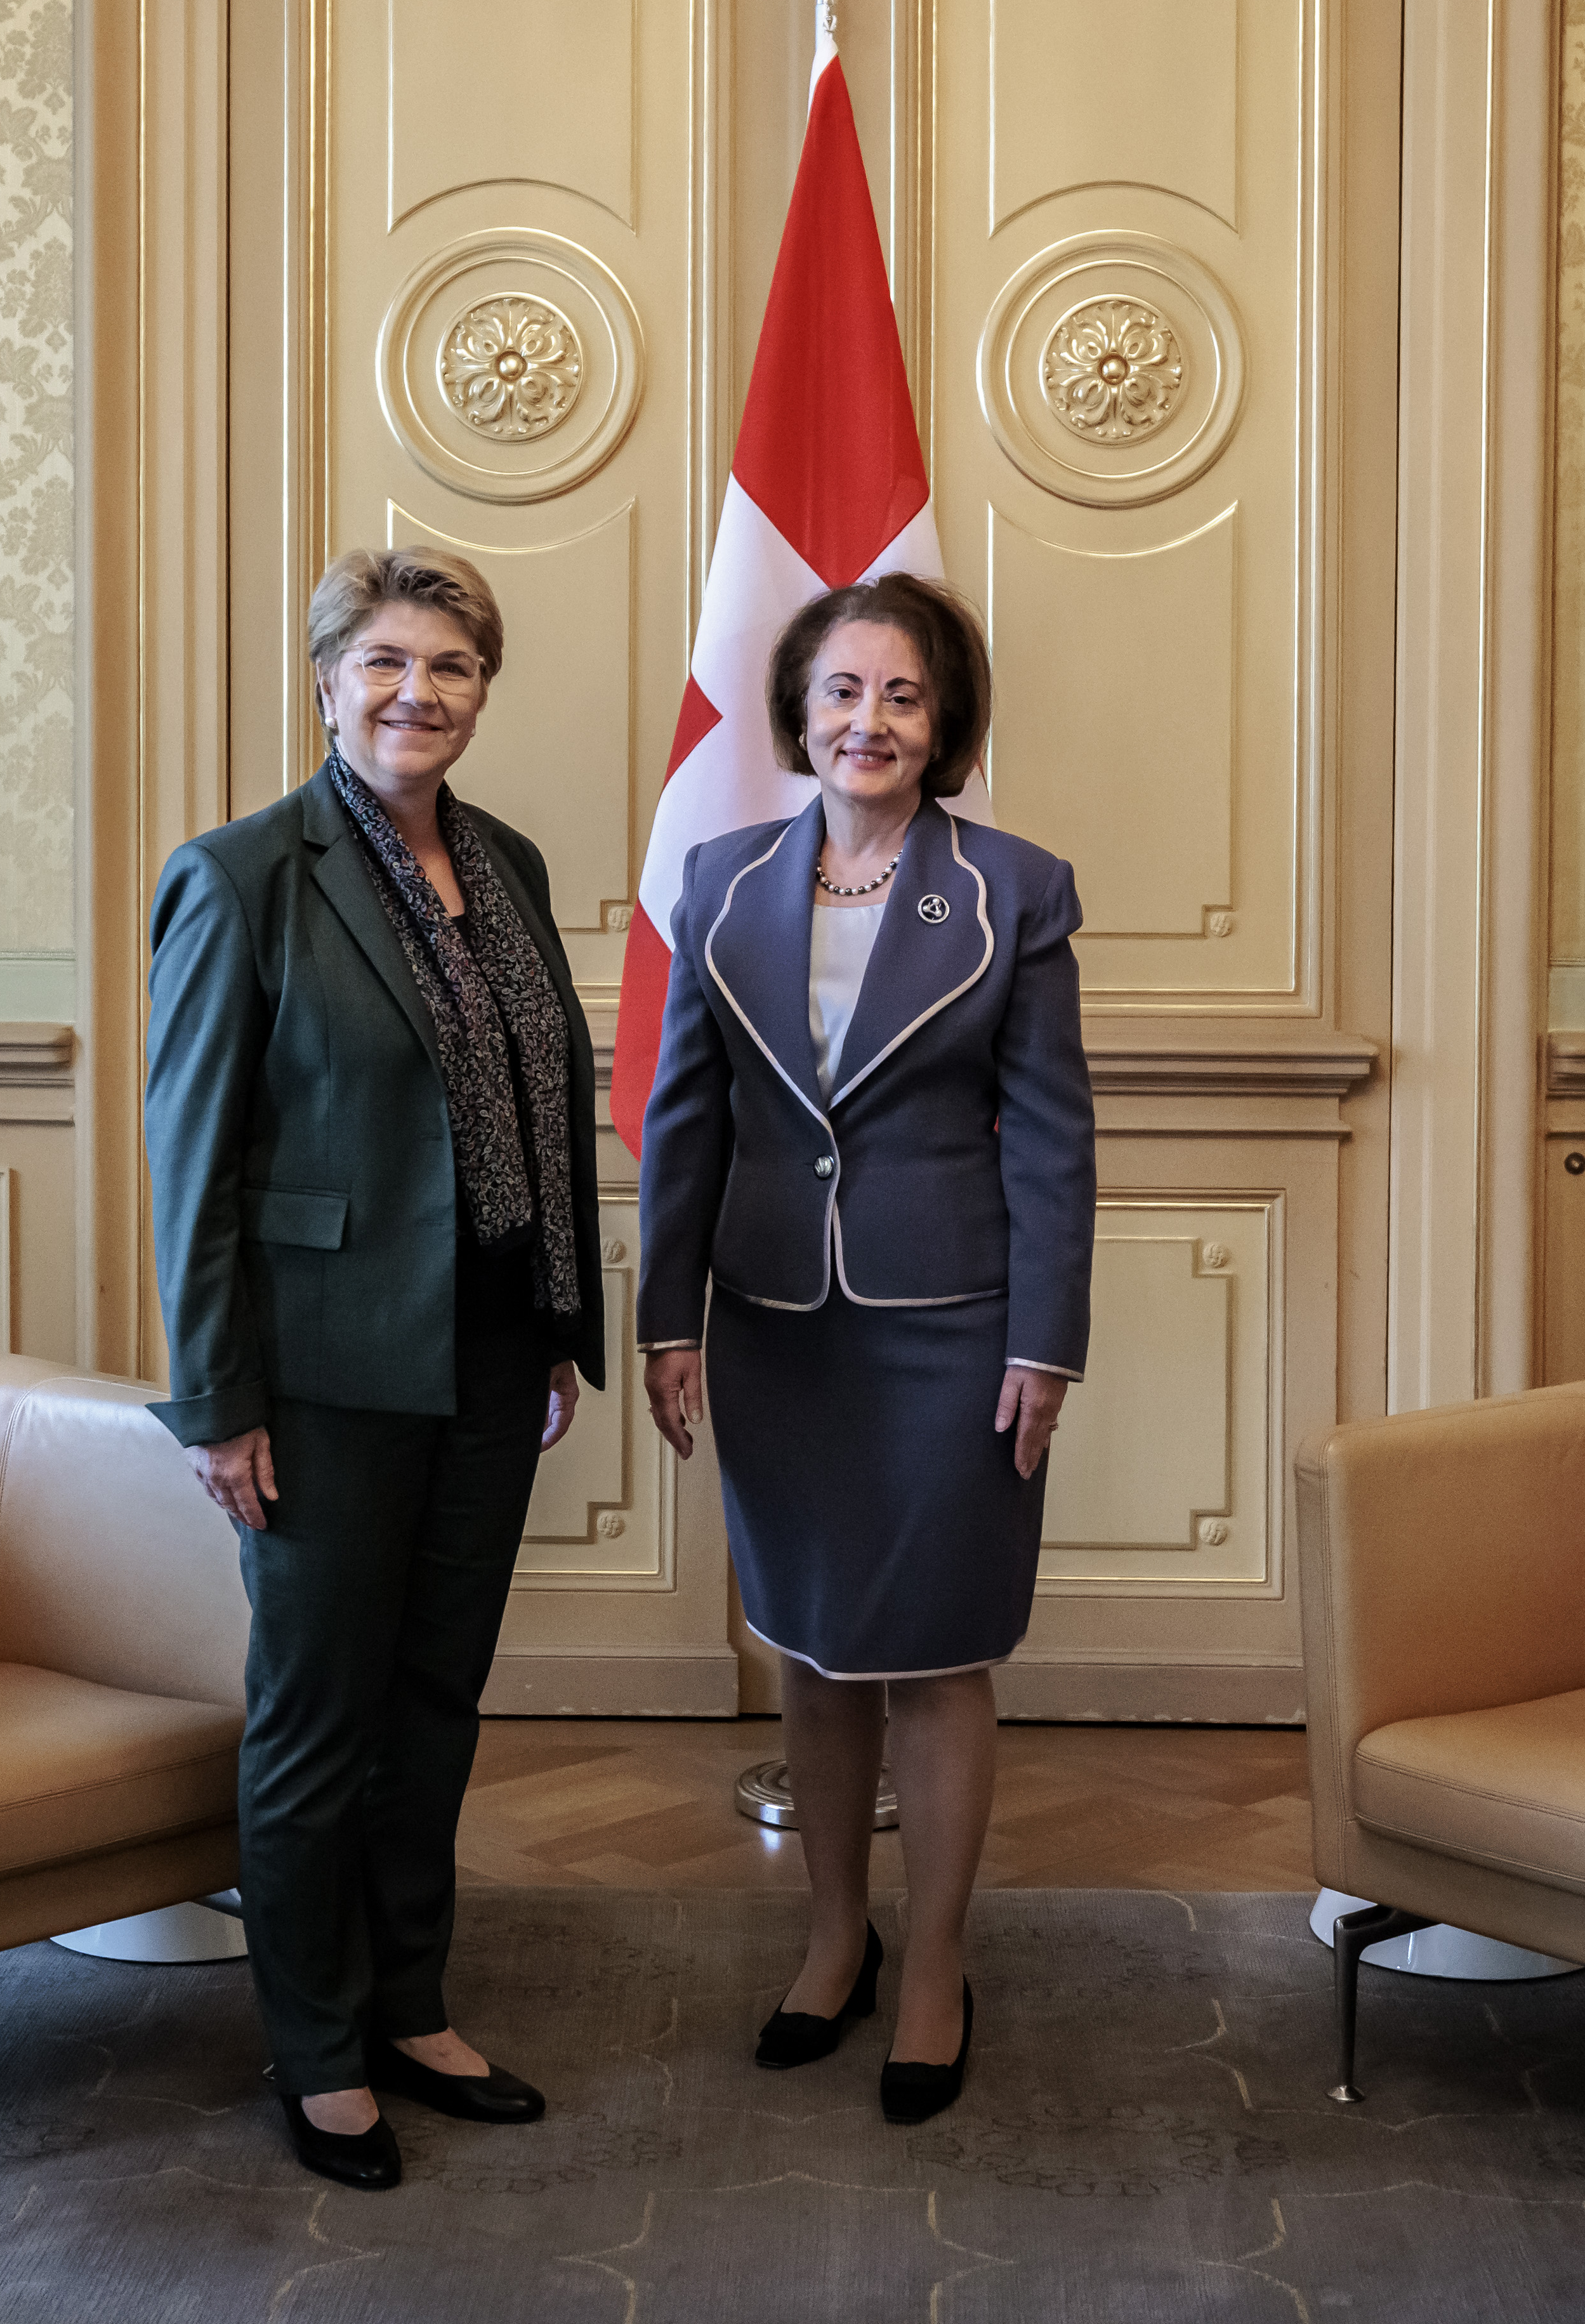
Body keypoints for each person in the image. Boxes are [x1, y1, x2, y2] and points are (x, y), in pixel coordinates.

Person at [142, 546, 605, 2192]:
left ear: (485, 690)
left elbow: (542, 1107)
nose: (421, 692)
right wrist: (220, 1398)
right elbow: (191, 1160)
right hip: (322, 1370)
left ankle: (412, 1997)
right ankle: (318, 2039)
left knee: (434, 1697)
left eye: (455, 666)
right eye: (389, 661)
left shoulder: (514, 862)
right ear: (329, 675)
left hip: (489, 1346)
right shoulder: (245, 874)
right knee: (318, 1711)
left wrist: (559, 1319)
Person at [635, 572, 1093, 2127]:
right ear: (798, 712)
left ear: (944, 718)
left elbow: (1049, 1141)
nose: (868, 720)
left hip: (952, 1334)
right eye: (842, 691)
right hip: (771, 1328)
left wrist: (1047, 1341)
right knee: (814, 1645)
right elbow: (684, 1119)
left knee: (940, 1651)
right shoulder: (719, 881)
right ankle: (836, 1935)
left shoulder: (1017, 890)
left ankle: (936, 1964)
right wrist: (664, 1316)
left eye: (901, 695)